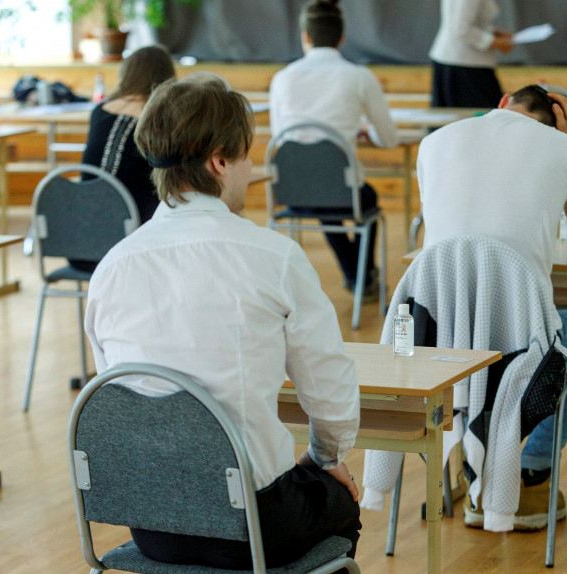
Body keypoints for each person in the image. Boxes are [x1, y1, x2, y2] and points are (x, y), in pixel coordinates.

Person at [84, 74, 361, 570]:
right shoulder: (272, 256)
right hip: (252, 523)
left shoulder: (112, 267)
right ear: (219, 161)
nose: (251, 168)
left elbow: (117, 396)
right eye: (246, 155)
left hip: (152, 524)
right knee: (339, 501)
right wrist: (324, 459)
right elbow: (330, 390)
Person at [378, 85, 567, 530]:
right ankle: (530, 473)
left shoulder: (434, 143)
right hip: (519, 350)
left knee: (487, 345)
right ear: (559, 124)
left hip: (437, 340)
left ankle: (468, 467)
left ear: (502, 102)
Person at [269, 0, 398, 299]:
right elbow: (389, 139)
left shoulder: (282, 78)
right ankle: (362, 276)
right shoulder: (358, 76)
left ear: (305, 36)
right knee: (363, 199)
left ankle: (358, 277)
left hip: (292, 190)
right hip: (341, 190)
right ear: (342, 37)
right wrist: (365, 131)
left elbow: (281, 137)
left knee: (325, 199)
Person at [69, 45, 176, 273]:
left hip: (79, 243)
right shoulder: (159, 119)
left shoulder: (99, 111)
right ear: (166, 77)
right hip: (131, 249)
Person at [429, 0, 514, 108]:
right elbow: (462, 29)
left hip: (462, 62)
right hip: (463, 65)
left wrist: (493, 33)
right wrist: (495, 42)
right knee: (483, 114)